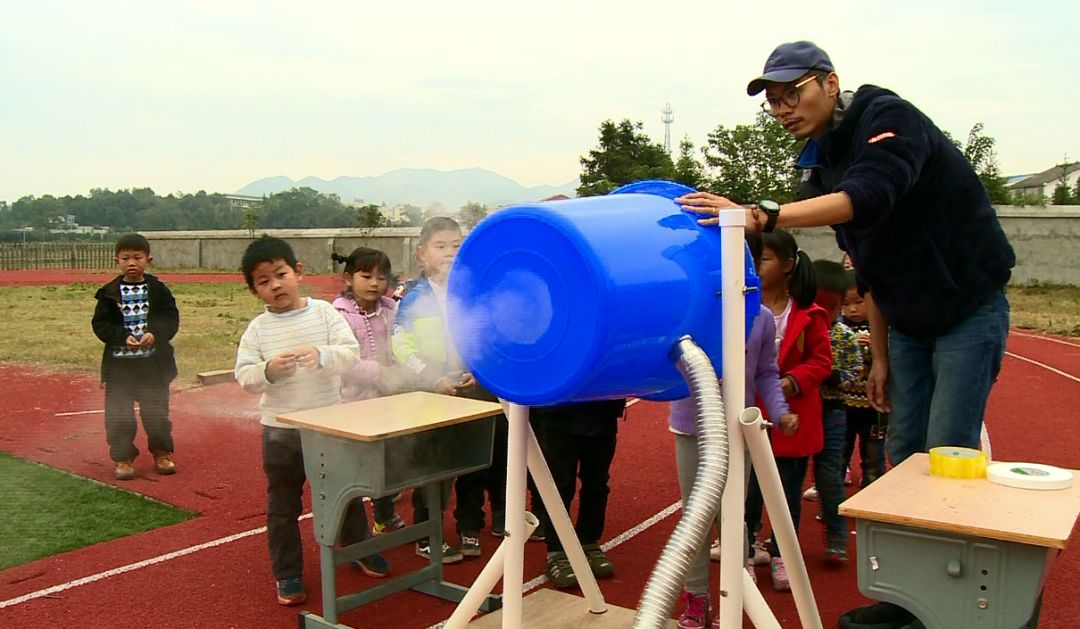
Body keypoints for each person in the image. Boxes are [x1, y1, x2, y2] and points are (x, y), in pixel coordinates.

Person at [678, 40, 1014, 467]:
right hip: (908, 322)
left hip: (966, 305)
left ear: (831, 84)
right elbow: (869, 265)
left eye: (793, 93)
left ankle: (956, 530)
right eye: (774, 102)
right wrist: (881, 355)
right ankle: (904, 534)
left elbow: (868, 194)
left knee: (947, 446)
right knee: (905, 448)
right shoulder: (818, 164)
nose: (783, 109)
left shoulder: (888, 117)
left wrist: (761, 215)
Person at [234, 236, 387, 607]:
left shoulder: (323, 313)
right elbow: (244, 376)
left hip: (328, 426)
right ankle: (287, 572)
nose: (275, 285)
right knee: (282, 505)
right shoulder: (258, 329)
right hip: (280, 431)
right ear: (255, 290)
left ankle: (359, 548)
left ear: (297, 272)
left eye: (281, 274)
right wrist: (268, 370)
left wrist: (320, 355)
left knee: (346, 493)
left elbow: (349, 354)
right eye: (264, 281)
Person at [669, 237, 796, 628]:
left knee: (732, 516)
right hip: (693, 428)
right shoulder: (692, 308)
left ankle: (734, 596)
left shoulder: (759, 317)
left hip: (737, 431)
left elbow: (766, 373)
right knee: (695, 517)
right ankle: (696, 600)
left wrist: (780, 411)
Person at [392, 217, 489, 563]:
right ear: (422, 254)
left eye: (457, 245)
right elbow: (401, 343)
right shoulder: (412, 296)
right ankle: (426, 532)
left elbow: (485, 335)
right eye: (441, 246)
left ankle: (469, 526)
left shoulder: (473, 291)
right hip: (432, 392)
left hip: (471, 387)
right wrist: (433, 377)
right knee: (432, 465)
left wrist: (478, 372)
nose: (450, 253)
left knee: (475, 460)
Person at [742, 230, 832, 592]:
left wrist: (792, 381)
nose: (756, 266)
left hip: (791, 419)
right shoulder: (740, 308)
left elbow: (822, 360)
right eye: (752, 259)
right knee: (747, 494)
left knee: (787, 493)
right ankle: (745, 553)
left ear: (789, 264)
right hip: (749, 418)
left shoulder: (809, 314)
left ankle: (782, 554)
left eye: (763, 259)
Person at [331, 247, 407, 535]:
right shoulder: (338, 315)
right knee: (356, 467)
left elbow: (402, 342)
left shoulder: (392, 310)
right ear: (348, 278)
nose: (375, 283)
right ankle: (349, 527)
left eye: (381, 277)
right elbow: (343, 363)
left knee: (389, 461)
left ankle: (384, 516)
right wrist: (380, 373)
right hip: (353, 403)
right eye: (367, 276)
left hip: (389, 401)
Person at [92, 233, 179, 481]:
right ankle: (123, 458)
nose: (132, 262)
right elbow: (100, 324)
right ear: (117, 261)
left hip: (152, 365)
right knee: (119, 414)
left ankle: (162, 453)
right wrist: (121, 336)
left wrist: (156, 333)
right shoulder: (108, 293)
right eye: (126, 258)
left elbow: (171, 318)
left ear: (148, 260)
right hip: (120, 368)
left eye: (137, 257)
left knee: (156, 412)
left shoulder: (159, 290)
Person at [534, 400, 626, 590]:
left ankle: (588, 542)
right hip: (559, 411)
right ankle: (557, 551)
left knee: (597, 483)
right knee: (560, 486)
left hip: (603, 412)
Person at [808, 259, 862, 562]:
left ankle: (837, 538)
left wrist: (833, 374)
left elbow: (852, 369)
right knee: (790, 476)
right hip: (801, 413)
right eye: (819, 306)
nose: (826, 315)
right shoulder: (800, 328)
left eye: (832, 308)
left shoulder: (842, 336)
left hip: (832, 412)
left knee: (830, 475)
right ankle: (779, 541)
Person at [840, 279, 887, 487]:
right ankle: (831, 497)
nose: (852, 309)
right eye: (845, 304)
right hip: (845, 405)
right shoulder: (839, 329)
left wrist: (877, 350)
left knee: (874, 454)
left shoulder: (884, 329)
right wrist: (850, 348)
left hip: (874, 407)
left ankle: (872, 488)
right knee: (839, 451)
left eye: (859, 302)